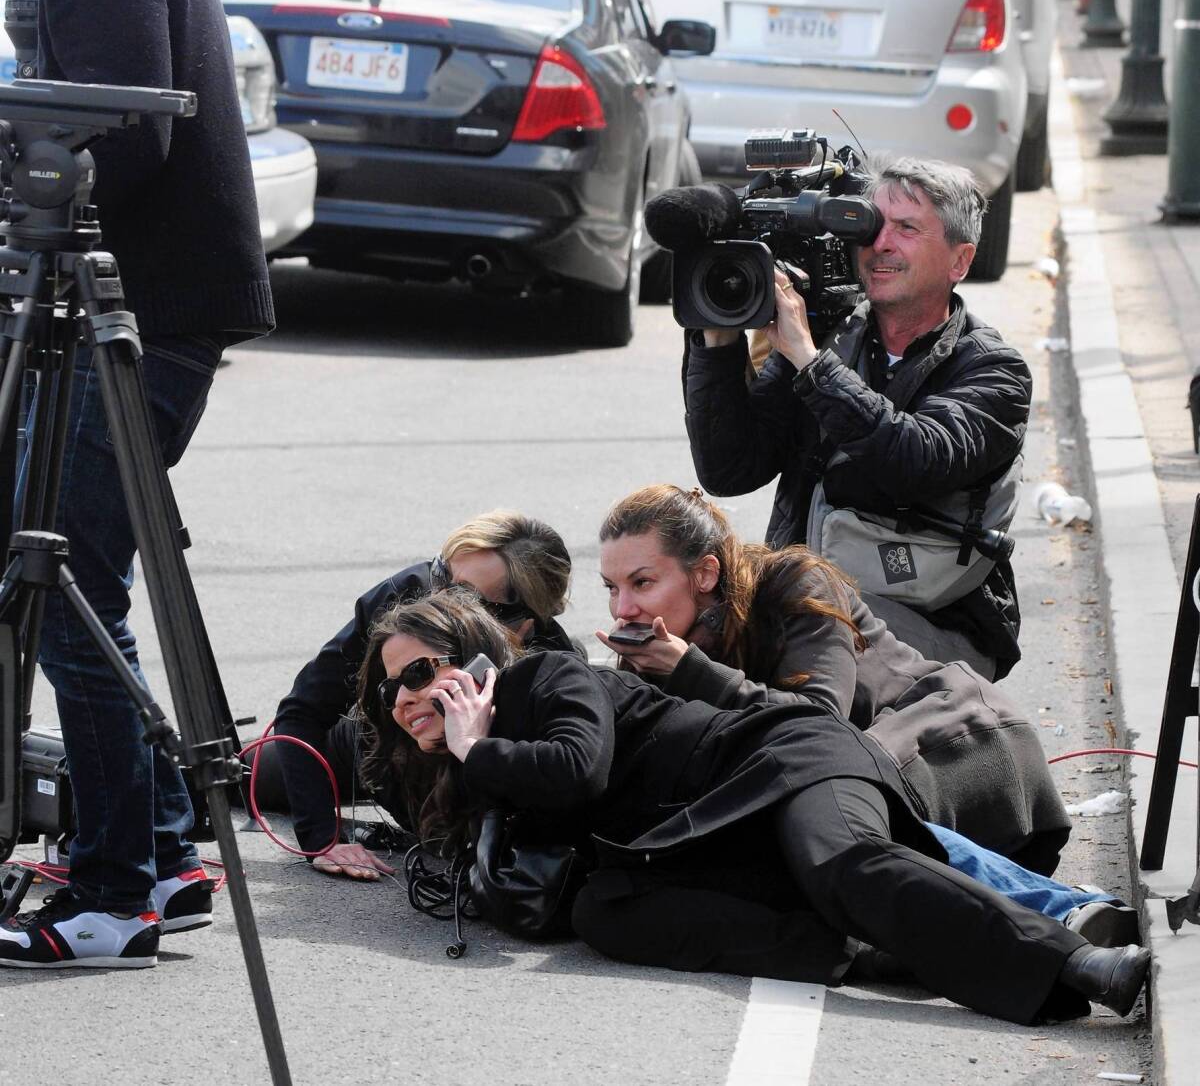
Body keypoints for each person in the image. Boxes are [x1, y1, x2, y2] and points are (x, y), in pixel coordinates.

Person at [359, 588, 1149, 1024]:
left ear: (473, 661)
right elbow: (318, 749)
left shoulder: (545, 682)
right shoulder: (461, 767)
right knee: (607, 911)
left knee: (844, 864)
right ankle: (854, 953)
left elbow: (578, 770)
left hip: (778, 760)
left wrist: (473, 749)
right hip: (702, 837)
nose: (404, 696)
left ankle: (1076, 962)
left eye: (421, 671)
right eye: (390, 686)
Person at [0, 0, 274, 971]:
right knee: (75, 581)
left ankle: (115, 886)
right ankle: (161, 838)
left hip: (134, 319)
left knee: (64, 592)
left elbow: (129, 136)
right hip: (143, 312)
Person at [592, 484, 1138, 947]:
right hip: (859, 776)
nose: (624, 609)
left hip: (952, 736)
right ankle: (1018, 928)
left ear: (706, 573)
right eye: (612, 589)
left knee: (831, 810)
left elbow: (817, 724)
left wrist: (691, 671)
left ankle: (1064, 909)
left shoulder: (794, 584)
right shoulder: (659, 645)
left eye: (642, 583)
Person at [683, 157, 1032, 680]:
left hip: (937, 618)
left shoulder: (995, 371)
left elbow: (911, 459)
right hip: (809, 601)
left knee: (808, 641)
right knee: (679, 632)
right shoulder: (833, 338)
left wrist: (810, 362)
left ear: (959, 261)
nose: (881, 244)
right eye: (871, 224)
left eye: (907, 229)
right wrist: (718, 337)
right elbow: (731, 468)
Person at [264, 510, 580, 879]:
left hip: (464, 768)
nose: (439, 599)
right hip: (375, 737)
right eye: (443, 576)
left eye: (462, 596)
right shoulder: (405, 596)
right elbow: (303, 711)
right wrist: (321, 837)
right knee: (249, 775)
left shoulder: (551, 666)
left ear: (520, 622)